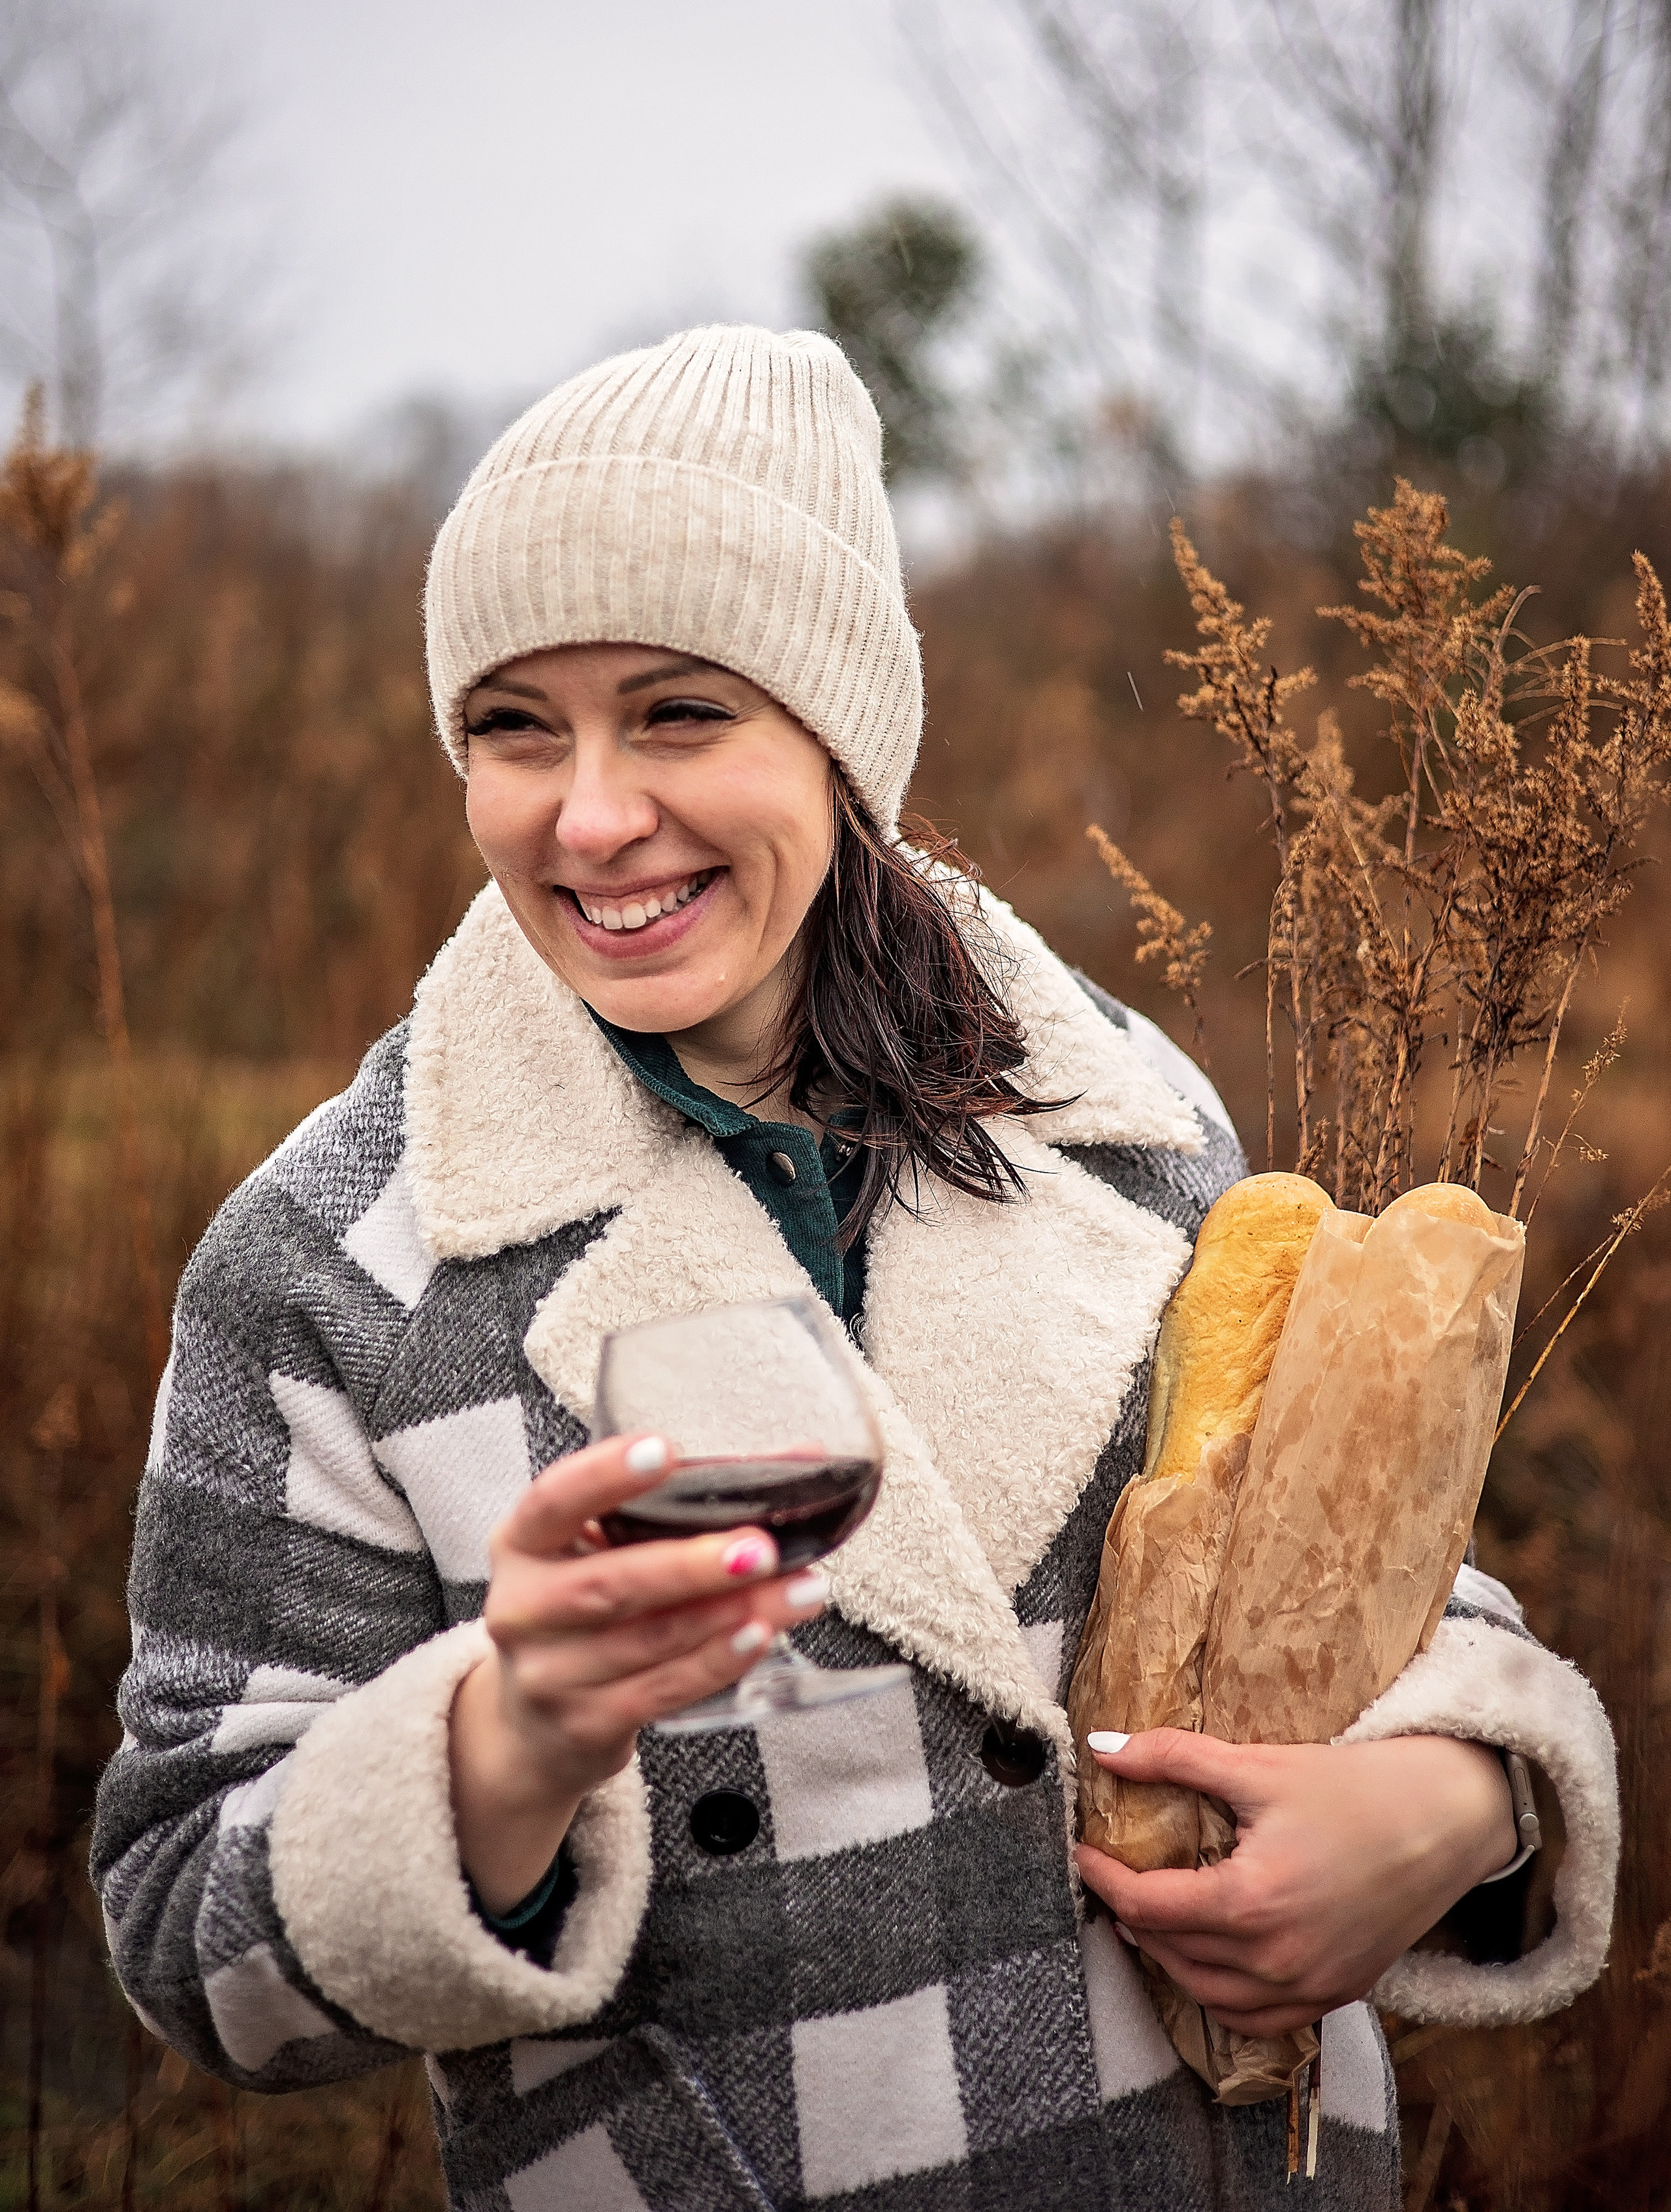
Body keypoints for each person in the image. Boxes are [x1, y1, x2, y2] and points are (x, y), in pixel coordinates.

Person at [94, 326, 1618, 2212]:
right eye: (512, 727)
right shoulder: (339, 1270)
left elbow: (1350, 1559)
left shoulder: (1118, 1115)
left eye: (677, 714)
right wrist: (510, 1742)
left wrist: (1454, 1803)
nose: (586, 816)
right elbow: (187, 1938)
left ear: (842, 735)